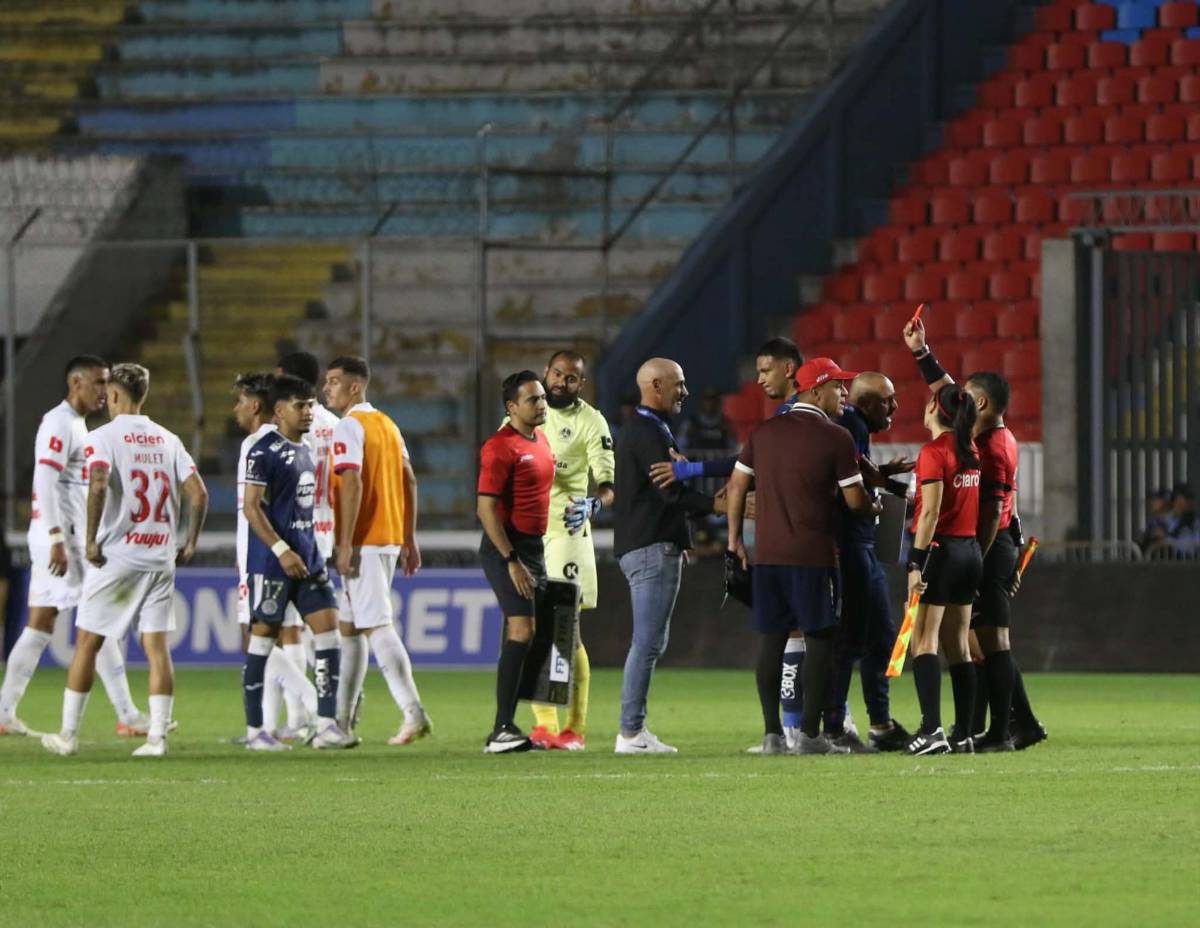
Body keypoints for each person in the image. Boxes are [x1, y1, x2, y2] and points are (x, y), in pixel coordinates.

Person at [42, 363, 208, 757]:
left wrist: (90, 541)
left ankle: (67, 736)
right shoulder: (168, 439)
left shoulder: (102, 437)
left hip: (118, 558)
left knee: (88, 642)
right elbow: (198, 493)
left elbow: (99, 483)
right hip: (160, 557)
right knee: (156, 646)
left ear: (115, 395)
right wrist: (189, 542)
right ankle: (157, 738)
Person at [726, 358, 881, 755]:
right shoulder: (835, 437)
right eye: (837, 387)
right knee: (821, 639)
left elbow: (737, 485)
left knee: (772, 641)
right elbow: (855, 500)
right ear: (815, 391)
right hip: (813, 556)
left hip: (768, 556)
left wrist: (734, 540)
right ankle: (810, 735)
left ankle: (772, 735)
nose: (844, 394)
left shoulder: (764, 432)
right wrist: (874, 505)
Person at [905, 320, 1046, 750]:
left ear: (980, 402)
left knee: (990, 642)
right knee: (971, 641)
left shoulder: (992, 447)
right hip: (981, 545)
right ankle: (980, 728)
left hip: (984, 544)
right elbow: (948, 394)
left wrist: (981, 560)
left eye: (966, 394)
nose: (958, 397)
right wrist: (921, 352)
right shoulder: (976, 436)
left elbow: (993, 512)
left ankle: (1002, 729)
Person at [1, 355, 150, 738]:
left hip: (57, 537)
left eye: (107, 383)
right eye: (98, 382)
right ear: (75, 383)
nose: (105, 390)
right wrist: (55, 537)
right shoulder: (60, 422)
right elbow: (44, 480)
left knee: (40, 624)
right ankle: (128, 714)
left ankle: (3, 711)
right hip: (62, 539)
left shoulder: (76, 426)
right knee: (98, 620)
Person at [613, 358, 728, 754]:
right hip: (651, 546)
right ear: (657, 385)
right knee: (647, 643)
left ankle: (633, 730)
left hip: (649, 545)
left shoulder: (649, 427)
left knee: (652, 642)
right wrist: (718, 505)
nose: (686, 392)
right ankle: (631, 732)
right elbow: (670, 493)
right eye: (679, 384)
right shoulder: (648, 430)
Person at [240, 375, 358, 751]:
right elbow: (251, 507)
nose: (308, 412)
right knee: (262, 642)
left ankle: (326, 725)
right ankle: (255, 731)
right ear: (279, 410)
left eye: (310, 405)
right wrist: (280, 550)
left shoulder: (307, 448)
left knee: (328, 633)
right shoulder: (263, 451)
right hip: (273, 563)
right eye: (300, 406)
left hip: (308, 559)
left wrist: (307, 551)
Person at [325, 356, 431, 744]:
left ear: (355, 387)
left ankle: (413, 711)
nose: (326, 389)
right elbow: (409, 480)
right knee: (350, 627)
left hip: (364, 541)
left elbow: (351, 482)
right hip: (387, 536)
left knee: (376, 626)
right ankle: (341, 722)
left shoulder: (348, 426)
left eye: (334, 382)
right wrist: (409, 538)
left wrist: (345, 543)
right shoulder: (387, 424)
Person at [521, 351, 615, 751]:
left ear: (581, 384)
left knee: (564, 630)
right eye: (557, 374)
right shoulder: (524, 414)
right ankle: (544, 726)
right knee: (531, 627)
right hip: (529, 534)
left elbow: (607, 483)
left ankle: (573, 729)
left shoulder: (591, 421)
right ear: (546, 373)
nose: (561, 382)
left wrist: (595, 503)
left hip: (567, 533)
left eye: (571, 377)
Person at [822, 372, 914, 752]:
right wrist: (886, 494)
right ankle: (837, 727)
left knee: (876, 636)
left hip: (860, 545)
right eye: (888, 400)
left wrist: (885, 477)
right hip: (852, 546)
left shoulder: (854, 428)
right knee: (854, 638)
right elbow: (853, 484)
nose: (895, 406)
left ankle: (878, 723)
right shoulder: (852, 426)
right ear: (867, 403)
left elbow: (857, 472)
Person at [232, 372, 316, 742]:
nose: (236, 409)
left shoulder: (257, 444)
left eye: (239, 401)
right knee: (284, 634)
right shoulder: (289, 442)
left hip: (266, 556)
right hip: (287, 549)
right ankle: (280, 723)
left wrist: (255, 553)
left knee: (255, 638)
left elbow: (255, 508)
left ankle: (311, 704)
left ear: (254, 405)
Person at [901, 381, 983, 755]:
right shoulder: (971, 450)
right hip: (970, 551)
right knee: (959, 644)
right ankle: (964, 733)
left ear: (935, 408)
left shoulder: (934, 452)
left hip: (941, 552)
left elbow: (931, 513)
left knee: (924, 640)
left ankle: (932, 729)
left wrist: (914, 563)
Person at [477, 371, 556, 753]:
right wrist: (511, 559)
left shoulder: (541, 439)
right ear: (511, 407)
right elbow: (485, 509)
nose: (541, 404)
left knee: (534, 635)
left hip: (534, 548)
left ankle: (508, 725)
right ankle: (501, 730)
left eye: (542, 397)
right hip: (506, 549)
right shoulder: (499, 447)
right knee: (522, 631)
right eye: (532, 399)